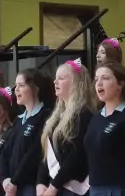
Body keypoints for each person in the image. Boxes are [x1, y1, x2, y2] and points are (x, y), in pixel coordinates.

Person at [36, 58, 97, 196]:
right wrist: (40, 182)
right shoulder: (56, 117)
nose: (55, 82)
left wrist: (53, 186)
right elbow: (47, 154)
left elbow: (76, 156)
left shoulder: (84, 114)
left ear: (76, 83)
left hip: (73, 188)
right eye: (55, 78)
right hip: (56, 186)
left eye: (61, 78)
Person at [0, 69, 55, 196]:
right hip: (12, 187)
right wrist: (5, 179)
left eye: (21, 85)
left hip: (30, 186)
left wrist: (14, 182)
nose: (16, 89)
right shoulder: (18, 120)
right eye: (16, 85)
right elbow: (5, 151)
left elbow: (34, 153)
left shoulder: (45, 116)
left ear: (35, 88)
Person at [84, 62, 125, 195]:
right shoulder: (96, 117)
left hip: (118, 188)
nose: (99, 83)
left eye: (105, 78)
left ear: (121, 84)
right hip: (95, 187)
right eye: (96, 79)